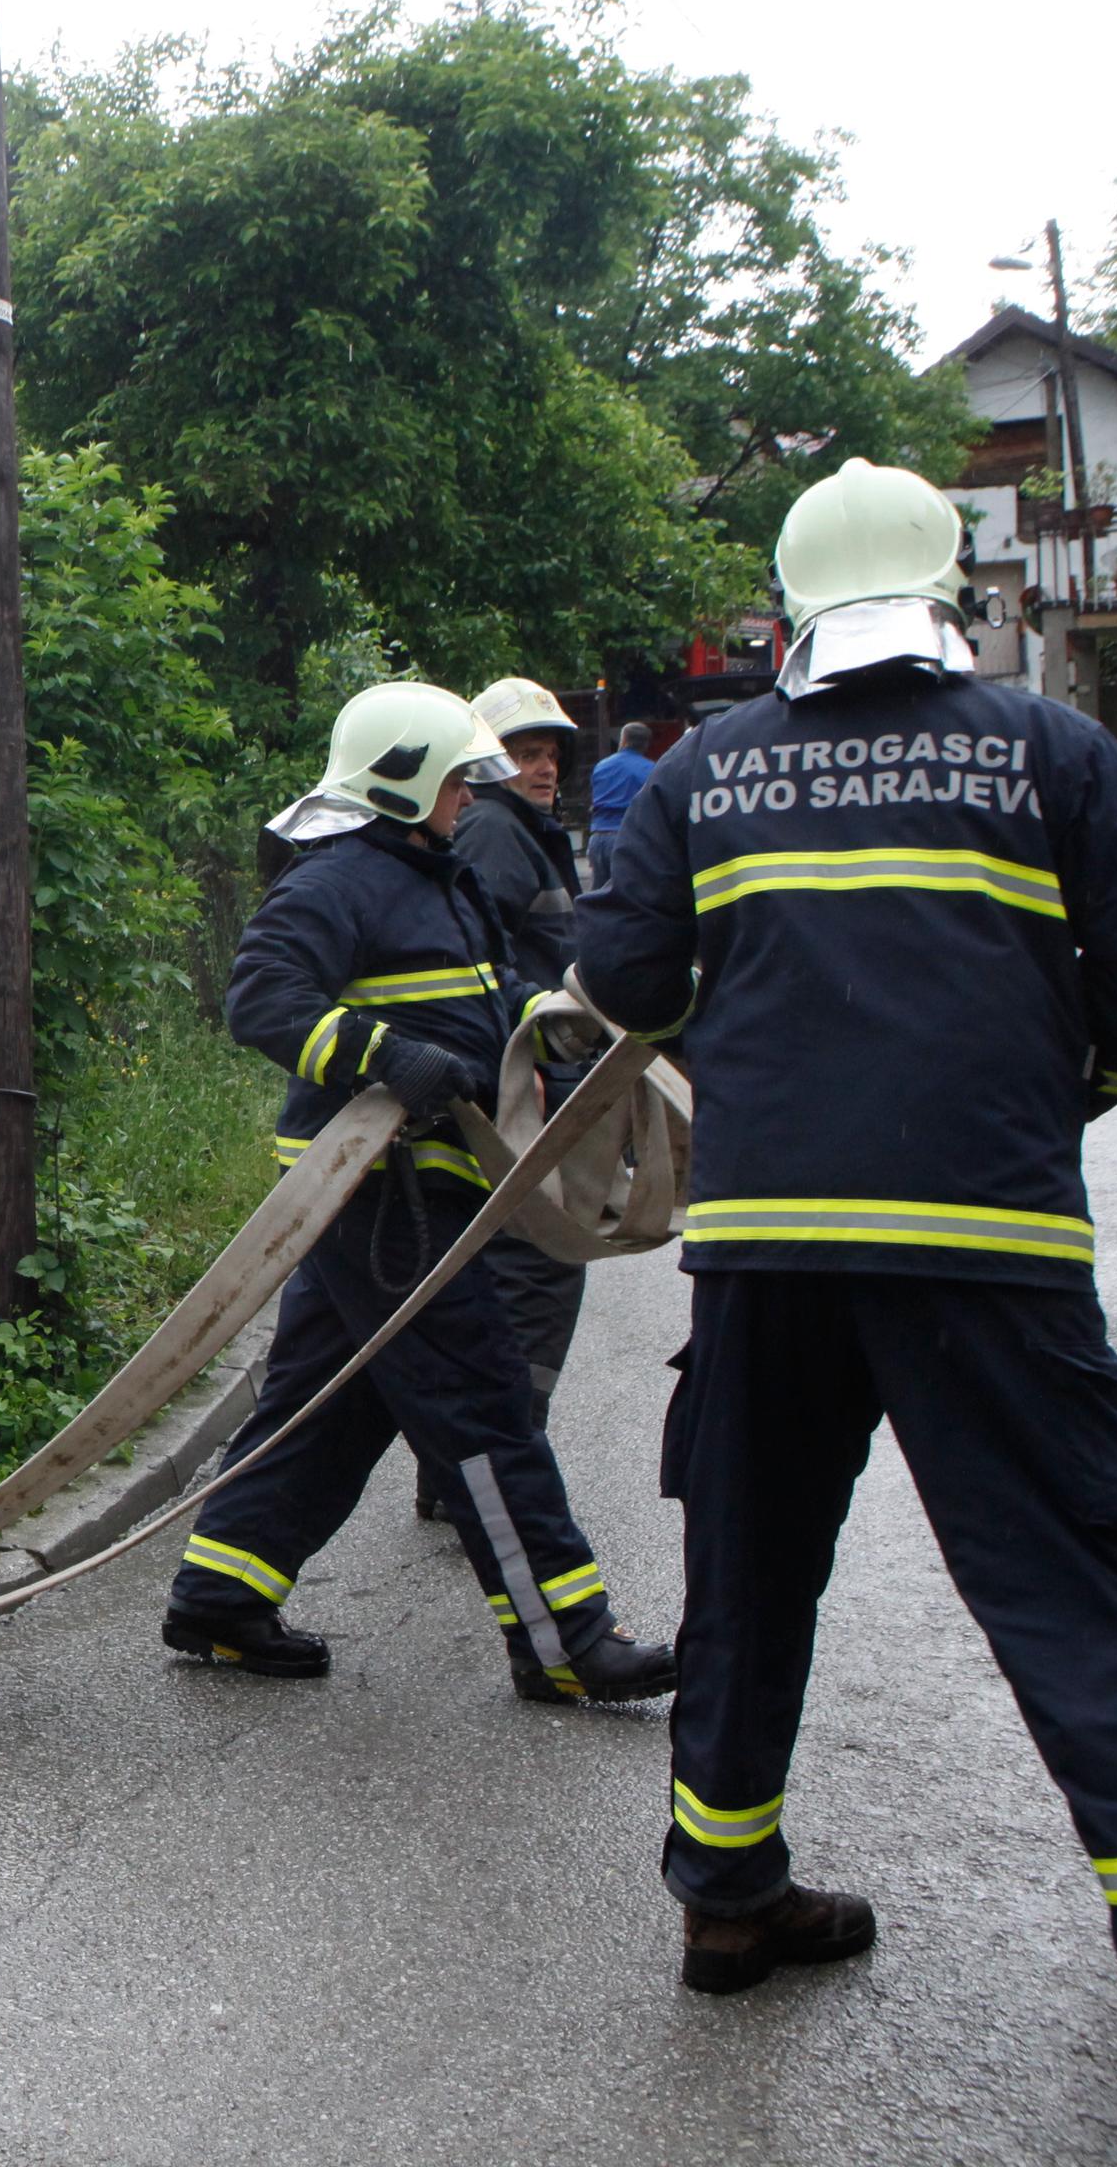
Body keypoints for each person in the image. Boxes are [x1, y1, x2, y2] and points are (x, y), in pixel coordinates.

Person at [577, 456, 1117, 2110]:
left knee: (749, 1569)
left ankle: (723, 1901)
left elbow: (622, 977)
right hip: (987, 1243)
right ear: (947, 597)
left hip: (769, 1249)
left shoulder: (707, 769)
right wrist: (1058, 1092)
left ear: (788, 609)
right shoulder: (1045, 748)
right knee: (1081, 1590)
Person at [164, 681, 676, 1706]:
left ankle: (221, 1595)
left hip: (422, 1186)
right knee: (482, 1403)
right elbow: (261, 999)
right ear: (402, 779)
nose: (468, 797)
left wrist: (554, 1020)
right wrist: (389, 1056)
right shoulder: (337, 880)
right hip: (376, 1192)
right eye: (454, 779)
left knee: (334, 1400)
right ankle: (564, 1637)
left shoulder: (437, 877)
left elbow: (484, 995)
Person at [411, 674, 590, 1523]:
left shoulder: (523, 832)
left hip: (539, 1087)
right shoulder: (493, 832)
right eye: (526, 752)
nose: (544, 765)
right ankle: (491, 1468)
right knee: (535, 1272)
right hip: (522, 1093)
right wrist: (529, 1058)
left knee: (530, 1274)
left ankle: (471, 1468)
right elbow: (483, 970)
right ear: (486, 766)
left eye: (551, 751)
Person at [584, 720, 657, 889]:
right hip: (627, 837)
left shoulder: (601, 766)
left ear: (623, 740)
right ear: (646, 745)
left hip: (598, 837)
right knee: (630, 893)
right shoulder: (651, 769)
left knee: (599, 894)